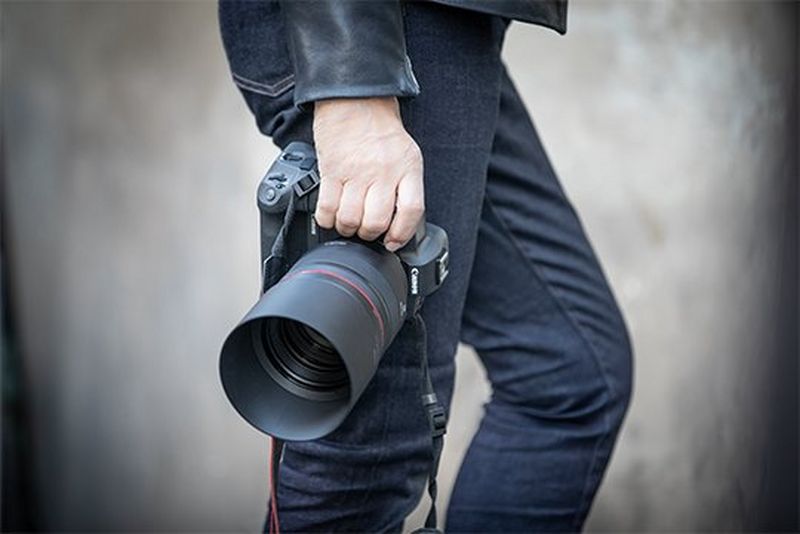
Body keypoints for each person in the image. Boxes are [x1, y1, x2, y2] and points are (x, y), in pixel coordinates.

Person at [219, 0, 632, 531]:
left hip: (447, 28)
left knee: (572, 374)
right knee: (368, 459)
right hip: (378, 35)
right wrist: (354, 85)